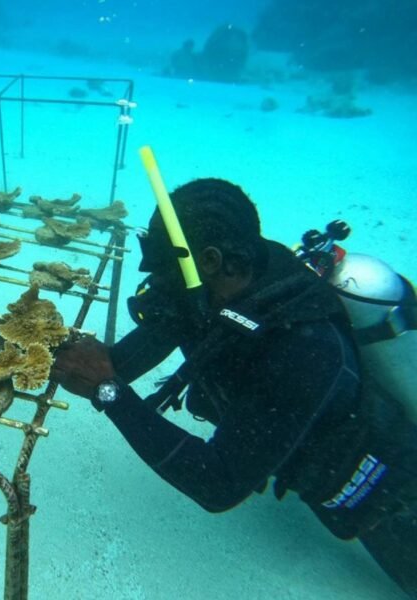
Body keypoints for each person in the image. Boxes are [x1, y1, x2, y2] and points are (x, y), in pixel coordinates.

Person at [51, 178, 417, 598]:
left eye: (161, 265)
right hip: (280, 439)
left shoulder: (305, 349)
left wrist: (107, 391)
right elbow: (121, 362)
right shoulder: (213, 281)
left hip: (390, 495)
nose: (154, 280)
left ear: (207, 259)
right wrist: (47, 354)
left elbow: (218, 485)